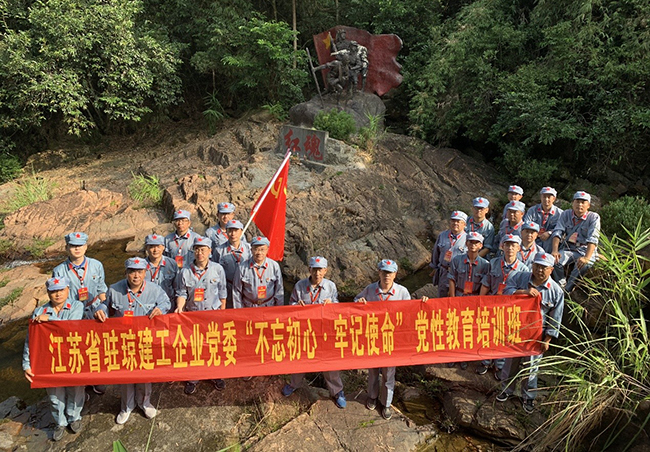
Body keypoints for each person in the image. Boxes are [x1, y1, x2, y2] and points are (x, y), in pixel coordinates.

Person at [94, 258, 171, 424]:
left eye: (140, 271)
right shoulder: (114, 289)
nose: (136, 275)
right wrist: (101, 310)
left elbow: (166, 302)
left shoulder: (155, 289)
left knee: (145, 373)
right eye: (132, 271)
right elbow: (105, 305)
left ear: (145, 273)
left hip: (145, 339)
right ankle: (126, 407)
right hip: (123, 340)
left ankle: (144, 403)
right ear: (126, 273)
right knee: (126, 374)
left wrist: (161, 309)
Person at [355, 259, 427, 420]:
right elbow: (354, 303)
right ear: (379, 273)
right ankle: (372, 396)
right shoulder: (370, 290)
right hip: (374, 337)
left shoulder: (402, 292)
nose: (387, 275)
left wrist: (422, 304)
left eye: (390, 272)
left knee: (389, 373)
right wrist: (359, 302)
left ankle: (386, 403)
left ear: (395, 274)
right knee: (373, 371)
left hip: (392, 339)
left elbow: (411, 311)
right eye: (384, 272)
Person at [497, 253, 564, 414]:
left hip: (536, 335)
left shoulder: (555, 291)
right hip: (516, 329)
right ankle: (506, 389)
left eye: (544, 267)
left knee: (531, 366)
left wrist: (547, 340)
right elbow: (506, 293)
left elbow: (556, 318)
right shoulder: (520, 277)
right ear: (532, 265)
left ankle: (528, 397)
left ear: (551, 270)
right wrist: (523, 292)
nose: (539, 270)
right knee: (510, 362)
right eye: (537, 266)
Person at [23, 277, 85, 441]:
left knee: (76, 390)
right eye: (53, 291)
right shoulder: (39, 311)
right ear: (48, 293)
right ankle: (60, 422)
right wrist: (27, 364)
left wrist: (50, 320)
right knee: (54, 396)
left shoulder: (77, 306)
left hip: (72, 356)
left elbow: (71, 327)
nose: (58, 294)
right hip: (49, 360)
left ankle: (74, 417)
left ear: (68, 290)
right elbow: (31, 340)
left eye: (61, 290)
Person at [281, 256, 346, 409]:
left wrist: (332, 304)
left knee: (329, 362)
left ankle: (337, 391)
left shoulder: (330, 286)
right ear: (309, 270)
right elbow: (291, 305)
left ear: (325, 270)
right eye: (314, 269)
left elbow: (337, 307)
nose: (317, 273)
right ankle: (294, 384)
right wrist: (297, 305)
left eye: (320, 270)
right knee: (301, 359)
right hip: (305, 331)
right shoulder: (300, 286)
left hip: (324, 331)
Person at [52, 231, 108, 395]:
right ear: (67, 248)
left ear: (86, 246)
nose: (77, 249)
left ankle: (97, 379)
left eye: (80, 245)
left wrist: (104, 308)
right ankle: (82, 382)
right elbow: (57, 298)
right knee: (77, 347)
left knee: (97, 345)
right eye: (73, 246)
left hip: (94, 310)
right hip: (72, 314)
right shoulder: (59, 270)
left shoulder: (96, 265)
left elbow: (101, 290)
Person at [174, 236, 228, 395]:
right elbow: (182, 293)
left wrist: (223, 312)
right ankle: (193, 378)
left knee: (214, 345)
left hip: (213, 314)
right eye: (197, 249)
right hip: (193, 316)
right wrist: (179, 307)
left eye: (203, 249)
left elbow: (223, 292)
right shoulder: (185, 271)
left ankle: (216, 375)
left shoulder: (218, 269)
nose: (200, 253)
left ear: (209, 251)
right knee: (195, 347)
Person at [477, 234, 529, 376]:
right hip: (492, 304)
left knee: (504, 336)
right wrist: (480, 302)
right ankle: (485, 361)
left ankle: (499, 365)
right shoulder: (493, 263)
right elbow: (486, 283)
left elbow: (523, 294)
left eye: (513, 245)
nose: (510, 248)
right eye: (507, 245)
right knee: (488, 333)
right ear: (502, 246)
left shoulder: (524, 270)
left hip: (509, 309)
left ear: (518, 248)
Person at [447, 232, 490, 370]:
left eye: (476, 242)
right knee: (455, 327)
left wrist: (479, 302)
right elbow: (452, 279)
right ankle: (453, 355)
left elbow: (485, 284)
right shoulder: (456, 260)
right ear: (466, 243)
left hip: (474, 299)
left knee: (469, 329)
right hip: (459, 295)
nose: (473, 245)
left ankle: (464, 356)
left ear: (481, 245)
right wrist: (453, 298)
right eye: (470, 242)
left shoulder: (485, 265)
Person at [551, 191, 601, 292]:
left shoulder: (593, 217)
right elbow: (557, 232)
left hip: (584, 249)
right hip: (569, 248)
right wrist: (555, 250)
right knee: (555, 260)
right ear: (572, 203)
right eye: (577, 201)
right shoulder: (566, 214)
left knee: (584, 265)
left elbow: (593, 238)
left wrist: (586, 257)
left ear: (588, 205)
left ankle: (568, 290)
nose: (580, 205)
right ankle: (560, 285)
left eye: (583, 202)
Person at [232, 236, 284, 309]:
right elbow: (237, 292)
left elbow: (279, 290)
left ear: (267, 250)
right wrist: (239, 310)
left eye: (262, 249)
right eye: (256, 249)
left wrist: (279, 309)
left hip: (268, 306)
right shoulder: (242, 268)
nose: (259, 253)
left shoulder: (274, 266)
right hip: (249, 307)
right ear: (251, 250)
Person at [212, 220, 251, 309]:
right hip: (227, 287)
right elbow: (214, 271)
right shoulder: (219, 250)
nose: (233, 234)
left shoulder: (249, 249)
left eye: (236, 230)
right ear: (226, 232)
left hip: (245, 287)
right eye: (230, 230)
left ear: (241, 231)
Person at [430, 211, 468, 297]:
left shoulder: (468, 239)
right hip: (444, 272)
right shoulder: (442, 235)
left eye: (458, 221)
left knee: (457, 298)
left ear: (464, 224)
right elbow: (436, 252)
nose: (455, 223)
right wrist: (434, 267)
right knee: (442, 298)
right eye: (453, 220)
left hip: (459, 275)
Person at [524, 187, 563, 253]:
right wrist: (535, 233)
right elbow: (526, 224)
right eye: (544, 196)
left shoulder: (560, 213)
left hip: (549, 241)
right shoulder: (532, 210)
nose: (546, 199)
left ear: (554, 199)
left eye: (549, 197)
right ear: (541, 197)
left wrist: (549, 233)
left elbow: (561, 229)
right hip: (533, 238)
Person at [144, 233, 178, 309]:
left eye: (158, 246)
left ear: (163, 247)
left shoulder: (172, 264)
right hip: (148, 307)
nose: (155, 250)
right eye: (151, 247)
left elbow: (177, 288)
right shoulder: (141, 266)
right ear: (146, 248)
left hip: (168, 307)